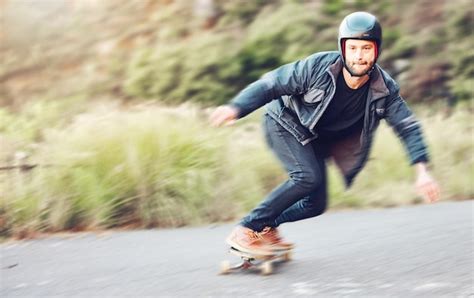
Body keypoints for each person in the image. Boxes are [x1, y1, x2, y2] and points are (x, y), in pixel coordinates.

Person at [209, 11, 440, 255]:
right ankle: (246, 228)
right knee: (306, 177)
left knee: (315, 204)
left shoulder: (384, 90)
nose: (359, 56)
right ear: (343, 49)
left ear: (376, 51)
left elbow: (407, 126)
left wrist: (422, 172)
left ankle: (267, 227)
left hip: (313, 139)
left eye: (366, 48)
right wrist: (236, 107)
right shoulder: (318, 68)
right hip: (283, 122)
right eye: (353, 48)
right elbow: (272, 83)